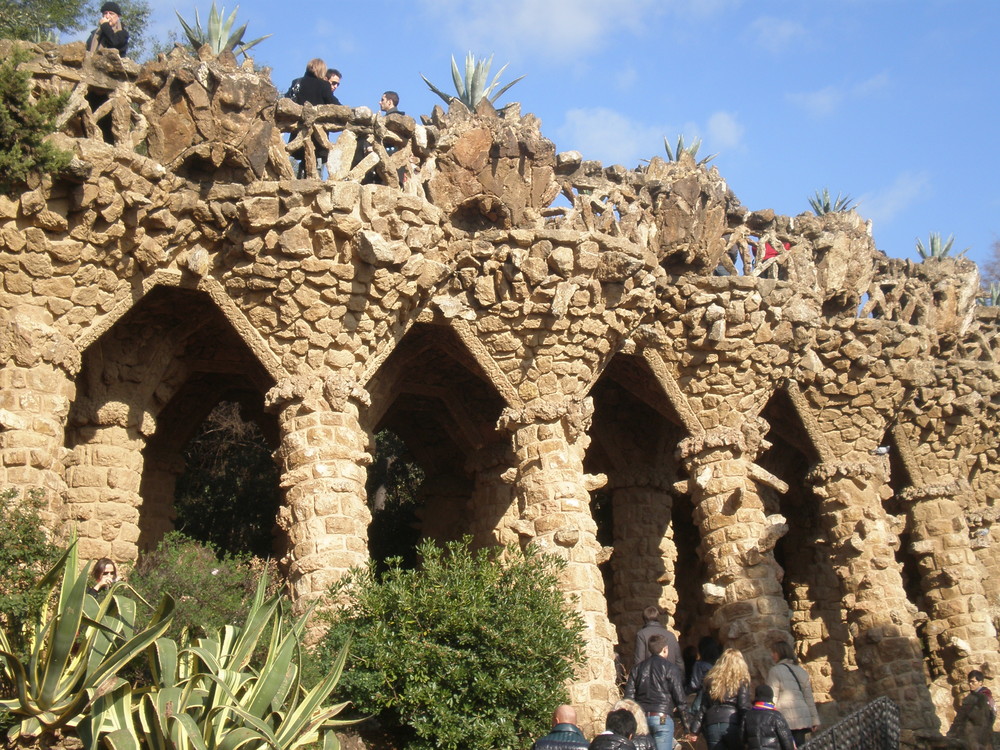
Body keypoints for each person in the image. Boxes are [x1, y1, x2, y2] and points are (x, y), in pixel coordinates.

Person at [623, 634, 688, 750]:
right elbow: (680, 699)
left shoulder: (637, 669)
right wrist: (687, 726)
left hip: (642, 718)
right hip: (662, 718)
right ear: (665, 649)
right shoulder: (671, 669)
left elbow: (628, 699)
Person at [687, 647, 751, 750]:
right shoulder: (741, 681)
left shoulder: (711, 681)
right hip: (732, 724)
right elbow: (744, 707)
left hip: (712, 724)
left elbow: (703, 708)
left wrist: (694, 730)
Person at [286, 59, 335, 177]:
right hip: (317, 135)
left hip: (299, 132)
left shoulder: (297, 82)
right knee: (316, 168)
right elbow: (333, 103)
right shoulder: (323, 85)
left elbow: (287, 99)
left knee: (303, 164)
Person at [766, 640, 819, 746]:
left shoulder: (775, 671)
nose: (772, 655)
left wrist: (767, 719)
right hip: (802, 718)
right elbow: (809, 698)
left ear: (780, 653)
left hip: (785, 718)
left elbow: (772, 698)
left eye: (774, 652)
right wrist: (814, 720)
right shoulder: (801, 671)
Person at [948, 670, 996, 750]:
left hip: (977, 736)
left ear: (980, 682)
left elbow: (992, 714)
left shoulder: (984, 697)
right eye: (969, 682)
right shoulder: (972, 697)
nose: (970, 684)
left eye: (973, 682)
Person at [742, 684, 796, 750]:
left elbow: (741, 739)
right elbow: (786, 741)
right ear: (771, 697)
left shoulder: (747, 715)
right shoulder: (776, 716)